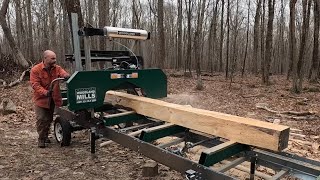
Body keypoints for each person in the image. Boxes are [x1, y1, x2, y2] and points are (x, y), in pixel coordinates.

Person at [30, 50, 70, 148]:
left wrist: (66, 76)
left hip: (53, 98)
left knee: (48, 119)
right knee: (41, 119)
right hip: (41, 99)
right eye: (52, 58)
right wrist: (45, 92)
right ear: (45, 58)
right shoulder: (36, 70)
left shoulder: (57, 68)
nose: (55, 60)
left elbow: (63, 72)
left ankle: (45, 135)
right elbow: (35, 84)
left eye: (55, 58)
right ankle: (41, 138)